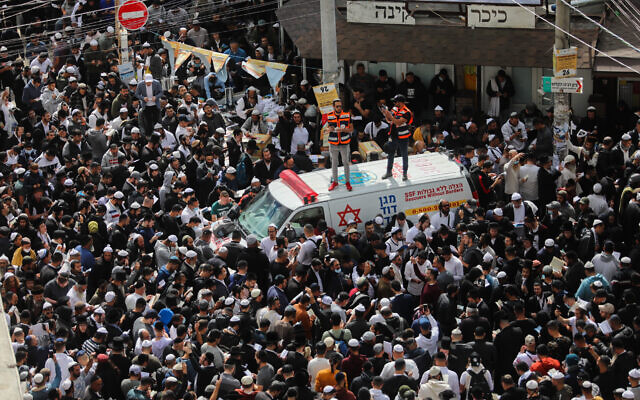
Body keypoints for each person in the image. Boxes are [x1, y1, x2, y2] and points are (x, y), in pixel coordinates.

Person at [381, 94, 413, 181]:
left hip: (403, 136)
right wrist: (385, 113)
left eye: (395, 102)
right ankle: (388, 172)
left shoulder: (407, 112)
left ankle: (405, 174)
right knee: (391, 153)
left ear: (400, 102)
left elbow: (398, 122)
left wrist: (390, 116)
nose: (394, 104)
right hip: (393, 135)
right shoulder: (395, 109)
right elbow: (389, 120)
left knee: (404, 154)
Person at [325, 99, 353, 191]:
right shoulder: (329, 116)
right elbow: (328, 128)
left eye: (340, 106)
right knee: (334, 163)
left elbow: (351, 129)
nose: (339, 108)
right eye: (337, 106)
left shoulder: (347, 115)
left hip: (344, 143)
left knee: (345, 162)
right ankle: (335, 182)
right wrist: (330, 129)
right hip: (333, 143)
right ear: (334, 107)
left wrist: (343, 130)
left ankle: (347, 182)